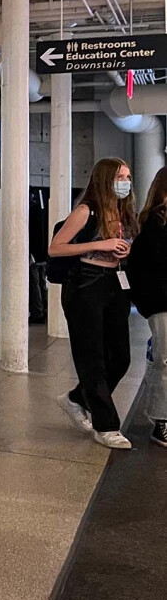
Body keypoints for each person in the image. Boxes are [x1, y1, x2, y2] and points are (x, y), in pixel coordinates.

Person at [49, 156, 136, 449]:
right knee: (92, 356)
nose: (125, 183)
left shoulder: (124, 213)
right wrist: (100, 244)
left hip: (116, 284)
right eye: (119, 177)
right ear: (105, 179)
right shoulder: (87, 211)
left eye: (127, 177)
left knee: (120, 356)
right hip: (86, 283)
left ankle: (77, 398)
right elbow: (56, 248)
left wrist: (124, 251)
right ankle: (106, 425)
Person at [129, 167, 167, 448]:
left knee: (162, 361)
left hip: (158, 302)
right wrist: (147, 304)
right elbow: (146, 270)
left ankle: (160, 416)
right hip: (162, 304)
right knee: (165, 362)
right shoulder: (155, 224)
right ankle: (162, 422)